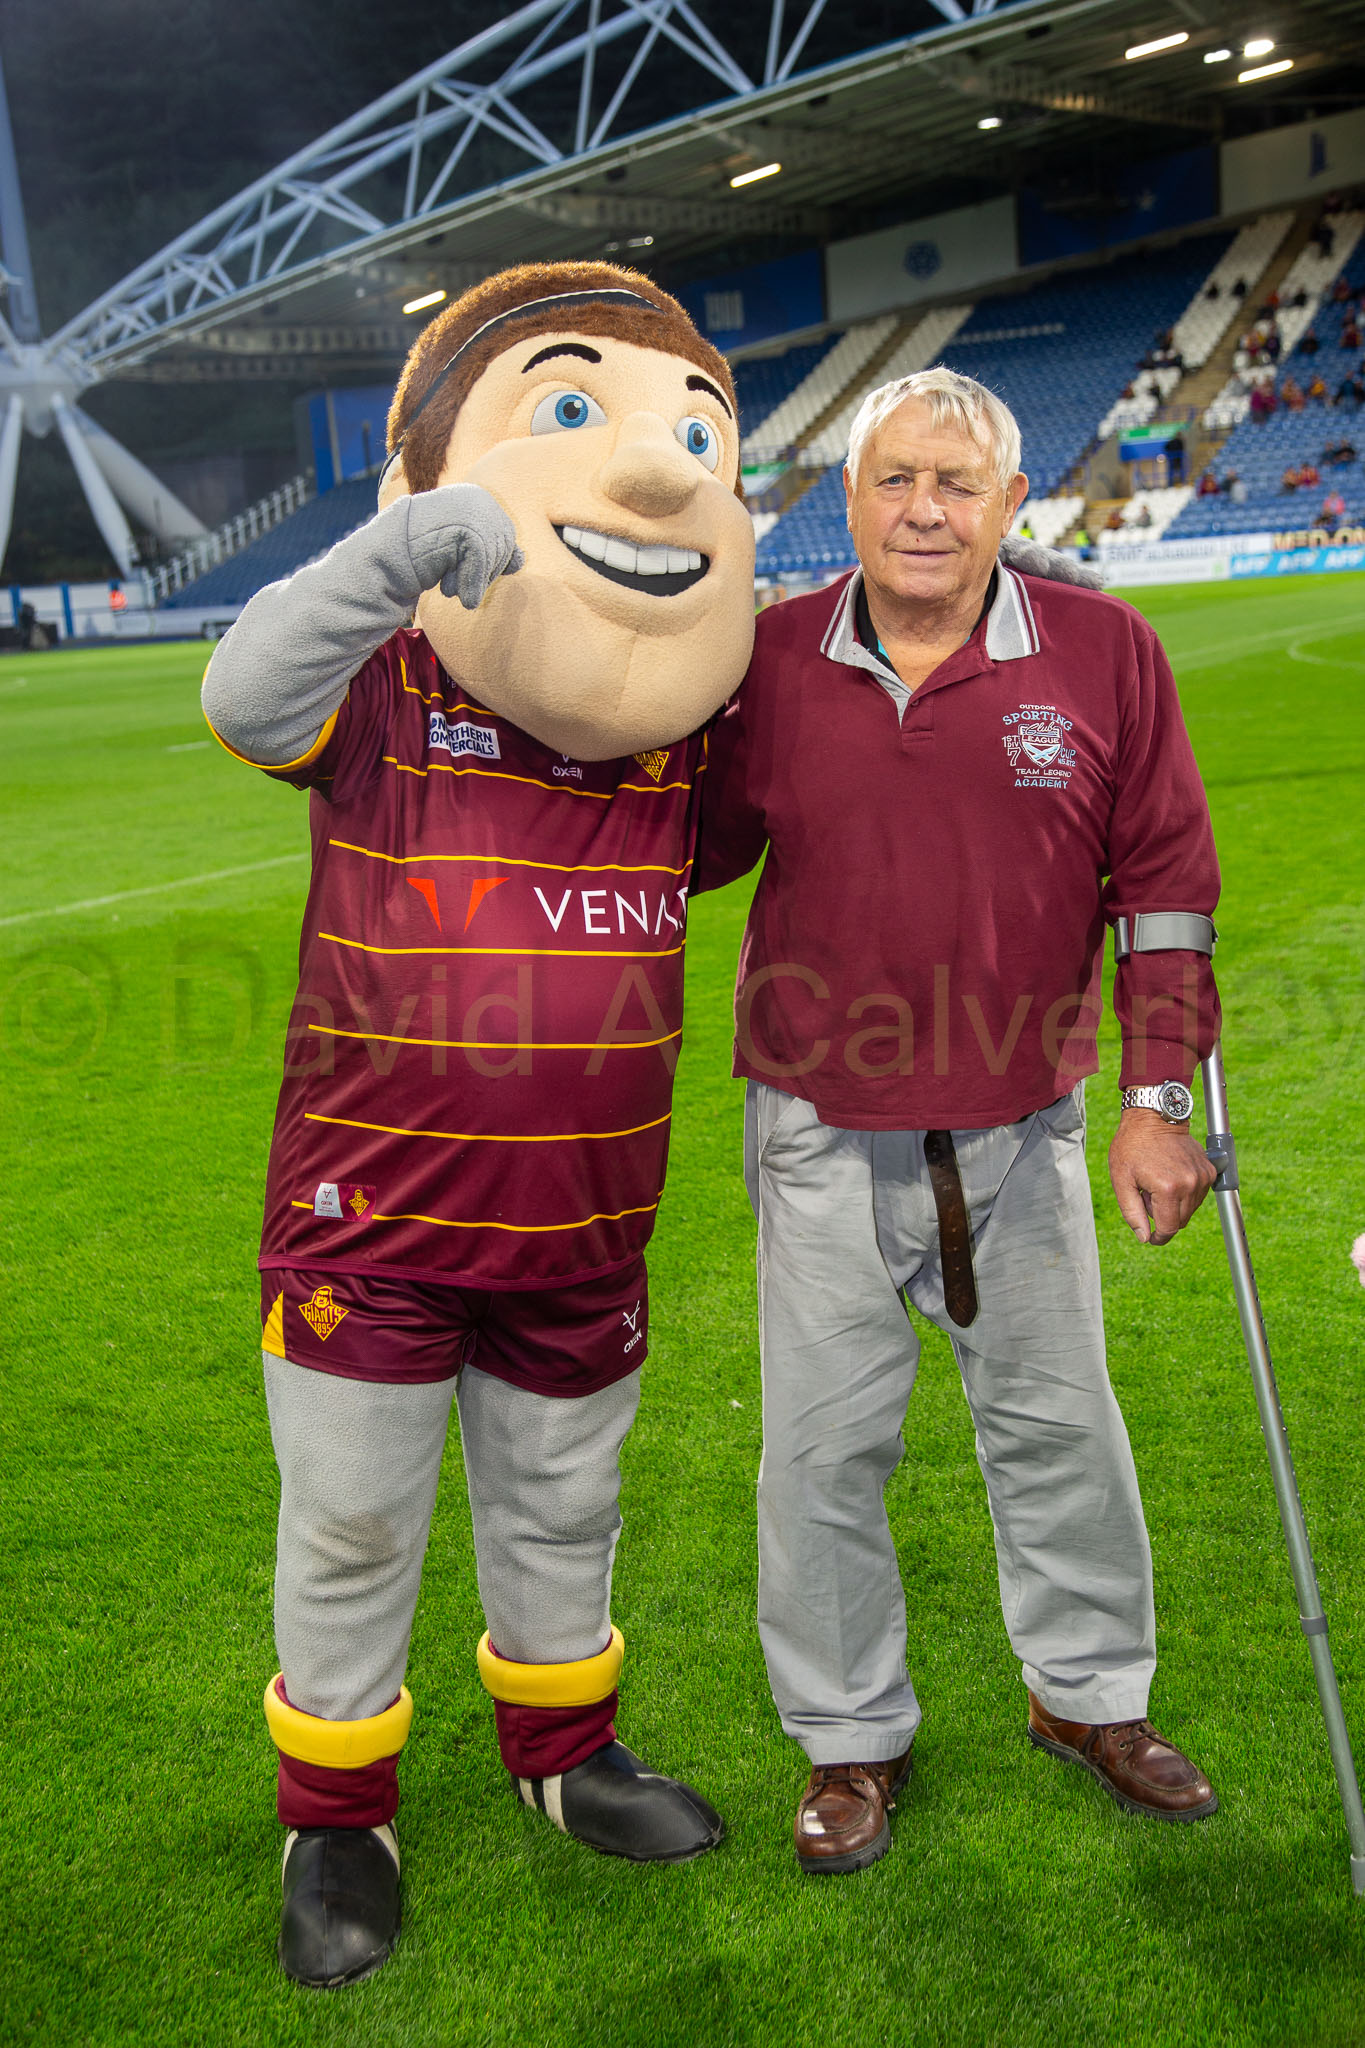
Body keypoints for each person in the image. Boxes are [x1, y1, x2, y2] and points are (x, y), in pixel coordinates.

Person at [200, 261, 760, 1985]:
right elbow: (242, 694)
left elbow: (814, 780)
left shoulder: (679, 751)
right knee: (352, 1528)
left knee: (565, 1514)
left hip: (585, 1226)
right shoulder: (387, 694)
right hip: (369, 1221)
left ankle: (564, 1756)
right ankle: (336, 1815)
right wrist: (398, 549)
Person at [696, 367, 1221, 1875]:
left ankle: (1089, 1699)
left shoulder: (1107, 652)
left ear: (1010, 504)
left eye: (956, 483)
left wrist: (1156, 1098)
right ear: (848, 499)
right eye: (894, 479)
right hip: (818, 1120)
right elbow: (694, 849)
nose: (923, 509)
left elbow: (1165, 891)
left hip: (1023, 1118)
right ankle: (849, 1739)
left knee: (1061, 1433)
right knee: (820, 1455)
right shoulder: (768, 661)